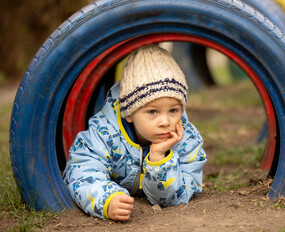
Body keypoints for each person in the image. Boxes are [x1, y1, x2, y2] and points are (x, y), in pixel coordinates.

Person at [63, 44, 207, 221]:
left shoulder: (187, 140)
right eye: (152, 112)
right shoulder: (104, 133)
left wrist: (159, 158)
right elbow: (81, 171)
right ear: (129, 113)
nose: (165, 122)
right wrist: (107, 200)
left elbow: (175, 197)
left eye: (173, 110)